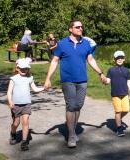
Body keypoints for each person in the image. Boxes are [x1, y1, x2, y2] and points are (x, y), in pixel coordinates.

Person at [43, 19, 106, 148]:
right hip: (68, 80)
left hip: (82, 80)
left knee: (78, 105)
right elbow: (55, 61)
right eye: (77, 27)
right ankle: (71, 135)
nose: (80, 28)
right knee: (71, 106)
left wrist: (100, 73)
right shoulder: (62, 44)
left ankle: (72, 128)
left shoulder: (86, 44)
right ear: (70, 29)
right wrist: (48, 78)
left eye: (82, 27)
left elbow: (90, 59)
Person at [6, 58, 44, 151]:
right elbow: (9, 92)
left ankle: (24, 142)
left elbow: (35, 89)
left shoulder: (30, 78)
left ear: (28, 69)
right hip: (16, 104)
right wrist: (10, 101)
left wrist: (44, 88)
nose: (24, 70)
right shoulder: (13, 79)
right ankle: (13, 133)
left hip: (26, 104)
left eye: (26, 68)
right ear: (17, 68)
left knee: (25, 121)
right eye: (22, 68)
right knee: (16, 123)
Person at [103, 51, 130, 137]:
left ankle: (118, 119)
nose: (119, 59)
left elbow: (129, 82)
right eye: (117, 58)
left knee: (126, 110)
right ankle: (119, 128)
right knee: (118, 111)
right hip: (115, 94)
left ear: (124, 59)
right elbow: (108, 81)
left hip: (124, 94)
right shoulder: (111, 70)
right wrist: (104, 80)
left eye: (121, 58)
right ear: (114, 59)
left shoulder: (126, 70)